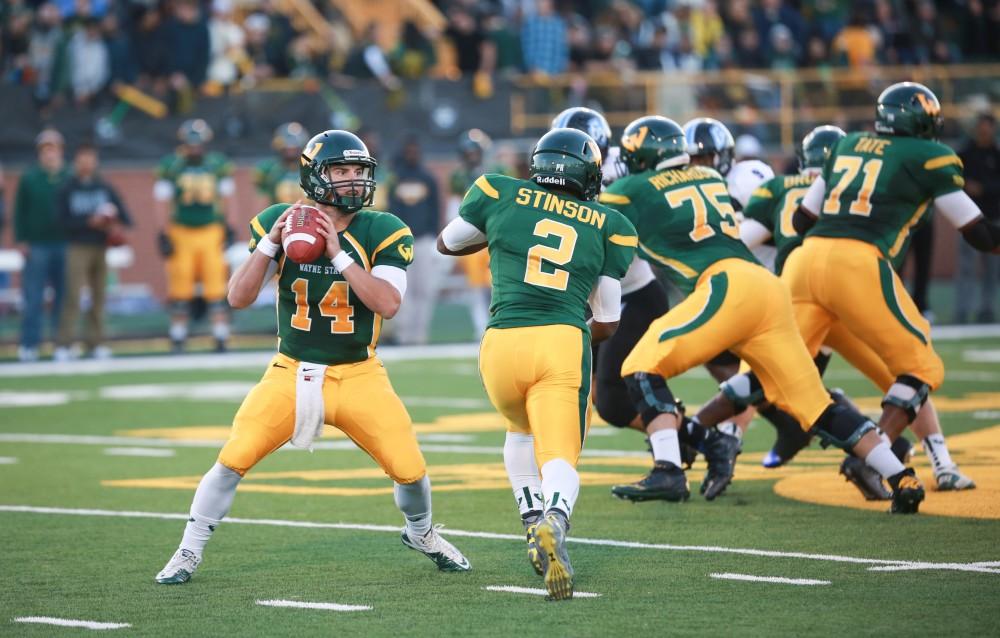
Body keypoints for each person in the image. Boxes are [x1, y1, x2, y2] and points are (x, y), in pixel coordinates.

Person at [155, 129, 470, 585]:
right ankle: (187, 551)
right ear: (315, 175)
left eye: (359, 171)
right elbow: (238, 298)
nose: (353, 181)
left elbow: (387, 304)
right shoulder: (278, 221)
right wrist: (270, 244)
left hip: (358, 374)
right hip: (290, 371)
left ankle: (421, 533)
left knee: (411, 471)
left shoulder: (383, 229)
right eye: (341, 171)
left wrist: (340, 256)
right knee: (232, 459)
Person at [600, 115, 925, 514]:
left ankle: (668, 468)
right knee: (817, 406)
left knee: (640, 364)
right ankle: (899, 475)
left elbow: (597, 219)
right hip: (768, 289)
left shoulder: (631, 187)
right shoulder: (710, 179)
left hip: (724, 287)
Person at [438, 127, 636, 600]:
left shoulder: (497, 190)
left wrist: (503, 232)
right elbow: (608, 319)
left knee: (518, 430)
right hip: (562, 339)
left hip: (501, 343)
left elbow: (446, 243)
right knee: (560, 455)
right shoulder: (611, 224)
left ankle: (531, 522)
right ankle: (554, 521)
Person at [780, 82, 1000, 489]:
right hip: (857, 263)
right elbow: (979, 234)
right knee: (920, 365)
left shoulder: (846, 145)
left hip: (805, 262)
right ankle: (877, 453)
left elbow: (800, 221)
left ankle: (699, 438)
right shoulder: (928, 156)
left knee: (777, 373)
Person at [737, 124, 974, 493]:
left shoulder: (778, 190)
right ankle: (940, 462)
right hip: (854, 293)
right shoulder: (877, 180)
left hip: (799, 292)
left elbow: (743, 242)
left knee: (763, 374)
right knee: (909, 371)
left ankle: (720, 442)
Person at [153, 119, 235, 353]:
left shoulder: (217, 164)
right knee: (180, 287)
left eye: (198, 142)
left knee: (216, 286)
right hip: (182, 232)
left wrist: (229, 226)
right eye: (191, 143)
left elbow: (228, 198)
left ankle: (221, 336)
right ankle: (178, 336)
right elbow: (162, 201)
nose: (195, 147)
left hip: (211, 231)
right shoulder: (172, 166)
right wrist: (163, 232)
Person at [53, 142, 131, 360]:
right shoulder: (67, 187)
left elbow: (126, 216)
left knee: (99, 295)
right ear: (76, 162)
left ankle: (95, 342)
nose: (87, 163)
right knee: (73, 295)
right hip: (78, 245)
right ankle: (64, 344)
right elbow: (60, 221)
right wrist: (89, 222)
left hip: (101, 246)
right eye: (83, 159)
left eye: (90, 159)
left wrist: (113, 224)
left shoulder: (104, 187)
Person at [14, 128, 69, 362]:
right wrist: (22, 239)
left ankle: (62, 344)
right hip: (37, 245)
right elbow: (19, 211)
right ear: (39, 153)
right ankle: (29, 344)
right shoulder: (29, 178)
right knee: (33, 297)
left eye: (53, 148)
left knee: (64, 297)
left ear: (60, 151)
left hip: (65, 244)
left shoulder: (70, 175)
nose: (49, 153)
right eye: (45, 149)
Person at [388, 135, 443, 345]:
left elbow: (436, 209)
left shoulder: (427, 178)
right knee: (403, 290)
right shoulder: (396, 177)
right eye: (408, 150)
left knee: (425, 289)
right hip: (401, 241)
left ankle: (420, 335)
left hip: (423, 241)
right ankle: (404, 335)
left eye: (415, 150)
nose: (412, 154)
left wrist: (434, 236)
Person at [956, 112, 1000, 324]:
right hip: (968, 220)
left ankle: (987, 309)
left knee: (992, 269)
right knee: (966, 267)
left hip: (993, 218)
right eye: (981, 126)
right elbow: (953, 179)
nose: (983, 131)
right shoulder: (965, 153)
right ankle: (963, 310)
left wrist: (983, 188)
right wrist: (966, 185)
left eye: (987, 127)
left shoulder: (997, 153)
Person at [254, 122, 309, 206]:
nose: (291, 149)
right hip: (279, 217)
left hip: (309, 217)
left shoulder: (312, 168)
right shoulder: (269, 169)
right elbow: (261, 199)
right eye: (287, 146)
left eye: (294, 147)